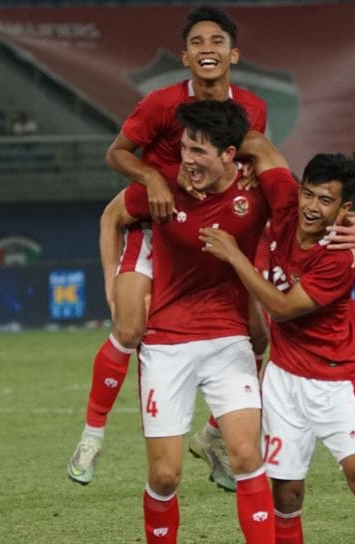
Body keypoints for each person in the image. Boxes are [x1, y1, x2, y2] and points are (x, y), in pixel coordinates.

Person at [67, 3, 267, 490]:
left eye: (216, 42)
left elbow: (257, 165)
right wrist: (154, 176)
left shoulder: (253, 110)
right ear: (184, 56)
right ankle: (92, 435)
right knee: (130, 327)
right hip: (157, 221)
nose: (207, 50)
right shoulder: (161, 104)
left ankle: (214, 435)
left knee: (261, 337)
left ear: (233, 54)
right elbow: (116, 158)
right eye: (197, 43)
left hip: (212, 229)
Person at [199, 132, 355, 543]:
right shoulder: (286, 201)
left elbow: (281, 307)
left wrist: (235, 254)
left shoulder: (337, 256)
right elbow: (257, 143)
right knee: (286, 493)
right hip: (283, 380)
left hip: (334, 382)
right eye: (308, 194)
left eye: (325, 201)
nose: (312, 207)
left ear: (344, 209)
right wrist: (222, 156)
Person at [105, 99, 276, 542]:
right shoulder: (161, 187)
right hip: (165, 345)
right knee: (164, 476)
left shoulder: (255, 197)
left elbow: (310, 211)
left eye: (199, 151)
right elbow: (112, 217)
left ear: (229, 156)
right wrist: (113, 285)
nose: (186, 160)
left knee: (244, 455)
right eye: (184, 148)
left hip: (228, 340)